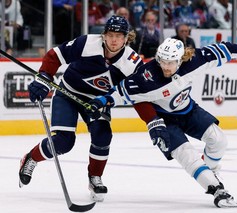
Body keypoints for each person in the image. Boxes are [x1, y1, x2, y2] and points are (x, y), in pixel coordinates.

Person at [87, 38, 237, 207]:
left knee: (219, 140)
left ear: (180, 59)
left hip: (188, 111)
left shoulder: (194, 60)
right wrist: (102, 101)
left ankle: (211, 173)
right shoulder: (146, 76)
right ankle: (216, 189)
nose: (166, 66)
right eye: (162, 61)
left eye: (171, 62)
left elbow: (224, 50)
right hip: (164, 122)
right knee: (187, 154)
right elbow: (120, 92)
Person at [18, 15, 143, 202]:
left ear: (126, 38)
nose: (114, 40)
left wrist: (106, 101)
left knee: (103, 135)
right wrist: (43, 78)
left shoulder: (132, 63)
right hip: (68, 93)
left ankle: (94, 178)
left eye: (119, 35)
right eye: (110, 35)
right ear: (104, 35)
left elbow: (133, 91)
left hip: (98, 100)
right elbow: (55, 55)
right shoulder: (87, 43)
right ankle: (31, 158)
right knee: (63, 142)